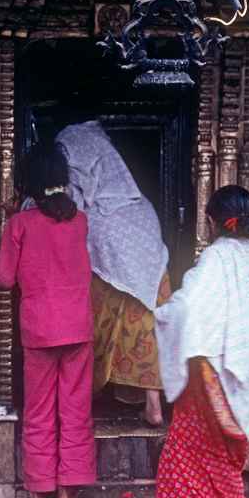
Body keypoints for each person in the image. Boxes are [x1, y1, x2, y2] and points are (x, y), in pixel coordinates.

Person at [151, 186, 249, 498]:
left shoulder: (216, 259)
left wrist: (161, 313)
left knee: (183, 465)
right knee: (224, 467)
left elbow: (188, 310)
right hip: (243, 384)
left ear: (212, 221)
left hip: (210, 377)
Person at [0, 144, 96, 498]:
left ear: (29, 184)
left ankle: (39, 491)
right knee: (74, 408)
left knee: (38, 409)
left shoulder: (19, 225)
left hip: (39, 332)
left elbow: (7, 278)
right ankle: (68, 489)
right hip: (77, 330)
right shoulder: (81, 221)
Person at [56, 120, 171, 427]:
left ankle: (84, 402)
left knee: (99, 327)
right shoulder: (138, 203)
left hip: (110, 280)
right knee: (148, 329)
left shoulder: (90, 211)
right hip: (151, 281)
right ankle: (153, 403)